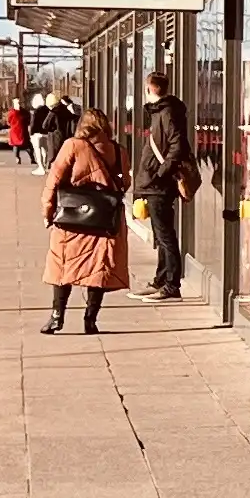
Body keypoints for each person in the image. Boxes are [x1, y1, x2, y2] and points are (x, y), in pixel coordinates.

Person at [42, 105, 132, 334]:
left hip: (72, 218)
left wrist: (48, 212)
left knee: (62, 266)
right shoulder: (118, 150)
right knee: (98, 270)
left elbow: (54, 180)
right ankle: (90, 320)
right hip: (105, 219)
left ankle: (56, 317)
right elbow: (124, 181)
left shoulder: (73, 145)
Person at [132, 69, 197, 299]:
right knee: (161, 236)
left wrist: (160, 173)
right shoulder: (161, 111)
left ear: (150, 89)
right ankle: (161, 280)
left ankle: (171, 284)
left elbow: (177, 146)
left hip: (159, 183)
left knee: (165, 235)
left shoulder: (167, 112)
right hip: (154, 182)